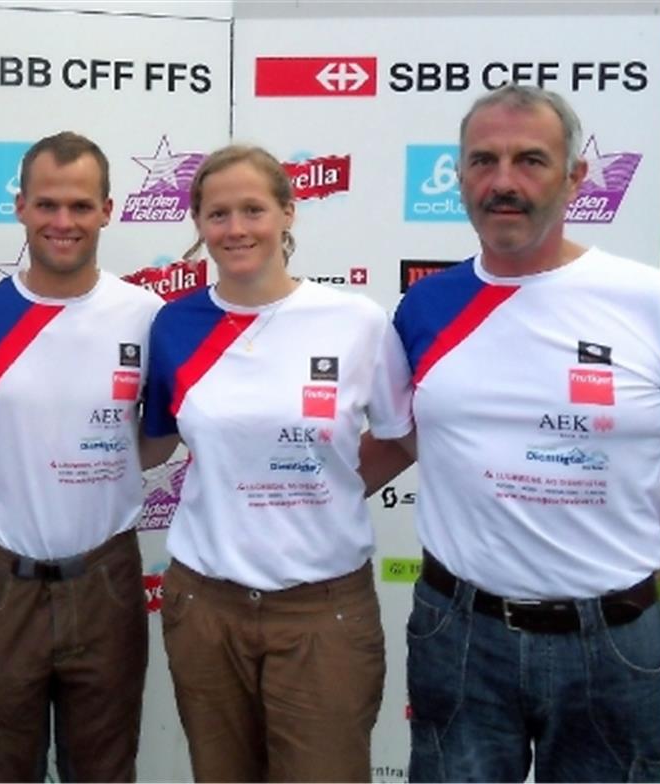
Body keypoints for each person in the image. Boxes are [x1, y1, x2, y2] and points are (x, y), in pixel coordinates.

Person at [385, 84, 660, 783]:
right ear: (459, 175)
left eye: (530, 160)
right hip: (460, 638)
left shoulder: (649, 300)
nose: (503, 183)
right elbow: (397, 440)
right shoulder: (424, 306)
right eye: (483, 161)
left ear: (574, 177)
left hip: (619, 644)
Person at [140, 144, 414, 782]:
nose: (236, 229)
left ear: (289, 213)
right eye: (218, 213)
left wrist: (332, 488)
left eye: (254, 209)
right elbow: (151, 443)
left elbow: (401, 438)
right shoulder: (174, 326)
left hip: (323, 613)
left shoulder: (355, 322)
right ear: (199, 223)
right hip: (205, 607)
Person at [0, 131, 163, 782]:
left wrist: (98, 467)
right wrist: (10, 475)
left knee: (104, 770)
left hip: (106, 579)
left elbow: (161, 435)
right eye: (47, 204)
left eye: (79, 205)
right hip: (1, 581)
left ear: (108, 209)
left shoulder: (147, 316)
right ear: (19, 207)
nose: (62, 222)